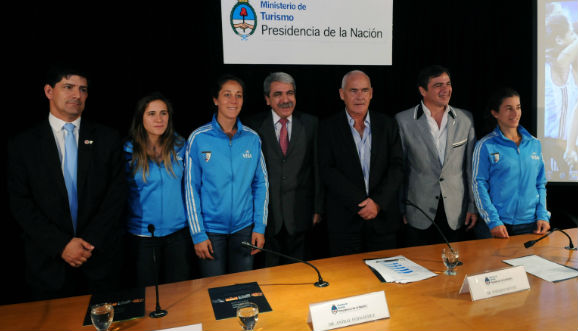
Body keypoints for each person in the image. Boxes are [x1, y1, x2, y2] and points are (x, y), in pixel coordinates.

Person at [7, 66, 126, 300]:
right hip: (48, 266)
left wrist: (89, 242)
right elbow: (21, 204)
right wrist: (62, 245)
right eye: (68, 87)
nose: (77, 95)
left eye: (83, 90)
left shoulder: (108, 138)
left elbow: (117, 195)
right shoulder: (23, 145)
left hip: (99, 262)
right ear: (49, 91)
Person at [185, 75, 269, 277]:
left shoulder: (252, 138)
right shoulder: (198, 138)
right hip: (211, 232)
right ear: (216, 100)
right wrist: (198, 234)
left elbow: (261, 185)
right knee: (214, 293)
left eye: (238, 95)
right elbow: (190, 188)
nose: (234, 101)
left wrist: (259, 226)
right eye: (227, 95)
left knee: (243, 289)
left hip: (244, 229)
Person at [318, 70, 403, 257]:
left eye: (364, 90)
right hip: (344, 222)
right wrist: (360, 203)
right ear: (342, 94)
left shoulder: (388, 125)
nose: (359, 96)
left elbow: (397, 167)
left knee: (387, 279)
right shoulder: (327, 127)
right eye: (353, 90)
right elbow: (327, 170)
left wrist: (378, 203)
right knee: (348, 282)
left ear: (371, 93)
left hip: (383, 221)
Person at [245, 72, 323, 266]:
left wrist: (317, 208)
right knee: (269, 277)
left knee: (299, 275)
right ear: (267, 99)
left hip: (301, 214)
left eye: (290, 93)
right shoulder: (252, 126)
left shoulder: (311, 123)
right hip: (266, 218)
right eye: (278, 94)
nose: (285, 99)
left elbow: (317, 169)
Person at [395, 65, 478, 247]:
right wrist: (401, 208)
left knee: (453, 268)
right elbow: (400, 169)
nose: (445, 90)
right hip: (418, 210)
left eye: (448, 84)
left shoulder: (465, 119)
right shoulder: (403, 121)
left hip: (456, 212)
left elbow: (470, 169)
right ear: (422, 90)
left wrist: (472, 205)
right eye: (438, 85)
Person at [124, 92, 193, 286]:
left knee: (180, 293)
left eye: (163, 113)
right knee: (147, 295)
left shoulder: (181, 145)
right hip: (144, 236)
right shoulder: (128, 151)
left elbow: (192, 186)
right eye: (152, 114)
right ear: (141, 118)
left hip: (178, 233)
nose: (159, 119)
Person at [473, 88, 551, 238]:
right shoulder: (485, 145)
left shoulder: (534, 144)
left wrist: (542, 215)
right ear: (495, 113)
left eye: (518, 107)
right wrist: (493, 221)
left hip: (531, 225)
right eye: (509, 108)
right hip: (499, 225)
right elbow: (478, 185)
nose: (515, 114)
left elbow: (540, 184)